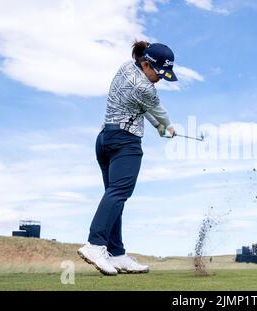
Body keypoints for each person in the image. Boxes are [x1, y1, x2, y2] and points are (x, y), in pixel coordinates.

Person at [77, 41, 177, 275]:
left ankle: (117, 253)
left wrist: (158, 127)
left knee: (115, 197)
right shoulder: (146, 89)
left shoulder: (126, 68)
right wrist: (167, 126)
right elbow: (158, 111)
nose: (160, 78)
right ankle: (95, 244)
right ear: (145, 64)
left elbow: (142, 108)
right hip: (125, 142)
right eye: (159, 72)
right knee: (119, 193)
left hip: (105, 140)